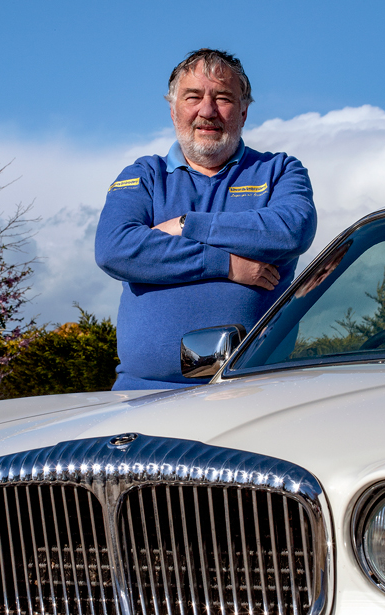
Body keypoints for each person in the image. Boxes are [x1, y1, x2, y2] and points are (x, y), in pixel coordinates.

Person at [95, 48, 316, 390]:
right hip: (142, 392)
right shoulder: (143, 176)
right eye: (193, 97)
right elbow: (115, 248)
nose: (207, 111)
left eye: (223, 98)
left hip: (254, 390)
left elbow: (290, 230)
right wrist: (225, 264)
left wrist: (187, 224)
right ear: (173, 110)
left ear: (243, 111)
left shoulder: (280, 170)